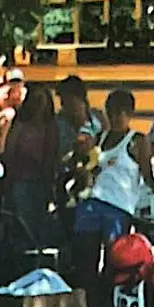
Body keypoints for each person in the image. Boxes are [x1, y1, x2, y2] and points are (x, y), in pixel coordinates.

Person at [71, 90, 154, 302]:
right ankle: (87, 304)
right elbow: (91, 166)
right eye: (111, 111)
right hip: (93, 203)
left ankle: (107, 305)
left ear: (130, 113)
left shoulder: (138, 140)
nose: (115, 116)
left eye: (120, 112)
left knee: (115, 261)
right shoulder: (101, 137)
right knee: (85, 259)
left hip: (119, 208)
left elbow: (147, 175)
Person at [0, 85, 60, 252]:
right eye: (36, 100)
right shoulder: (20, 124)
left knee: (41, 220)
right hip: (21, 179)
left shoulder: (51, 126)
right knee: (24, 219)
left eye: (43, 100)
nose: (40, 104)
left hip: (42, 180)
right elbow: (9, 151)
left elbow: (52, 155)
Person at [56, 76, 103, 208]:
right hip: (66, 176)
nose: (64, 105)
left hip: (98, 175)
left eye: (67, 99)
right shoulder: (58, 123)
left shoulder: (98, 118)